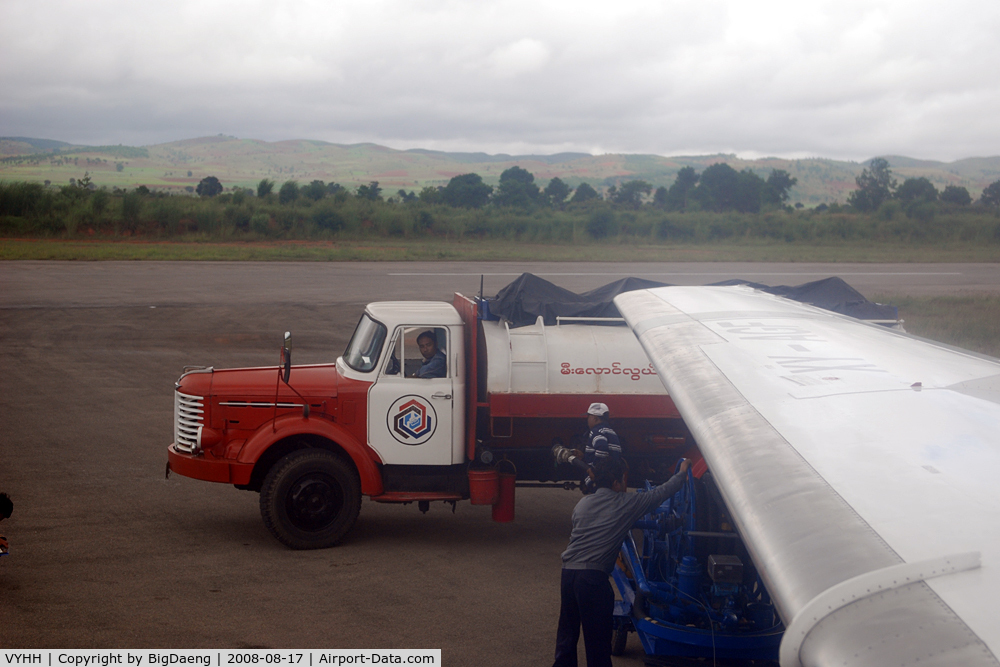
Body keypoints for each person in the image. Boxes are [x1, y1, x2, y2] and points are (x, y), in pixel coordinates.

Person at [553, 457, 692, 667]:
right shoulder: (626, 503)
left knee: (567, 636)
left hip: (568, 574)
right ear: (617, 483)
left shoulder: (583, 504)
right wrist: (682, 473)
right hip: (592, 580)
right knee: (597, 643)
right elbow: (660, 494)